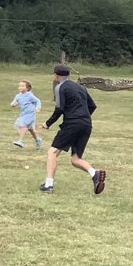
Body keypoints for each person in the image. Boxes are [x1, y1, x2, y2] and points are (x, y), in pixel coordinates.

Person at [38, 64, 106, 195]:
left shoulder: (60, 87)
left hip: (72, 124)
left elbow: (59, 108)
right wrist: (82, 118)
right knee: (75, 159)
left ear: (56, 75)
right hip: (86, 125)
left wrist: (47, 123)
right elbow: (92, 106)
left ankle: (48, 185)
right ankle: (95, 173)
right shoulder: (81, 87)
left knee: (52, 152)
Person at [11, 80, 43, 149]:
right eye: (19, 86)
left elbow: (38, 101)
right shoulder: (18, 96)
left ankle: (20, 141)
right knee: (31, 129)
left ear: (27, 88)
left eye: (22, 86)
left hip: (30, 114)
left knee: (23, 126)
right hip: (23, 114)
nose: (20, 87)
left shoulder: (29, 95)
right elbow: (14, 102)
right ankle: (38, 140)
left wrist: (38, 107)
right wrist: (13, 104)